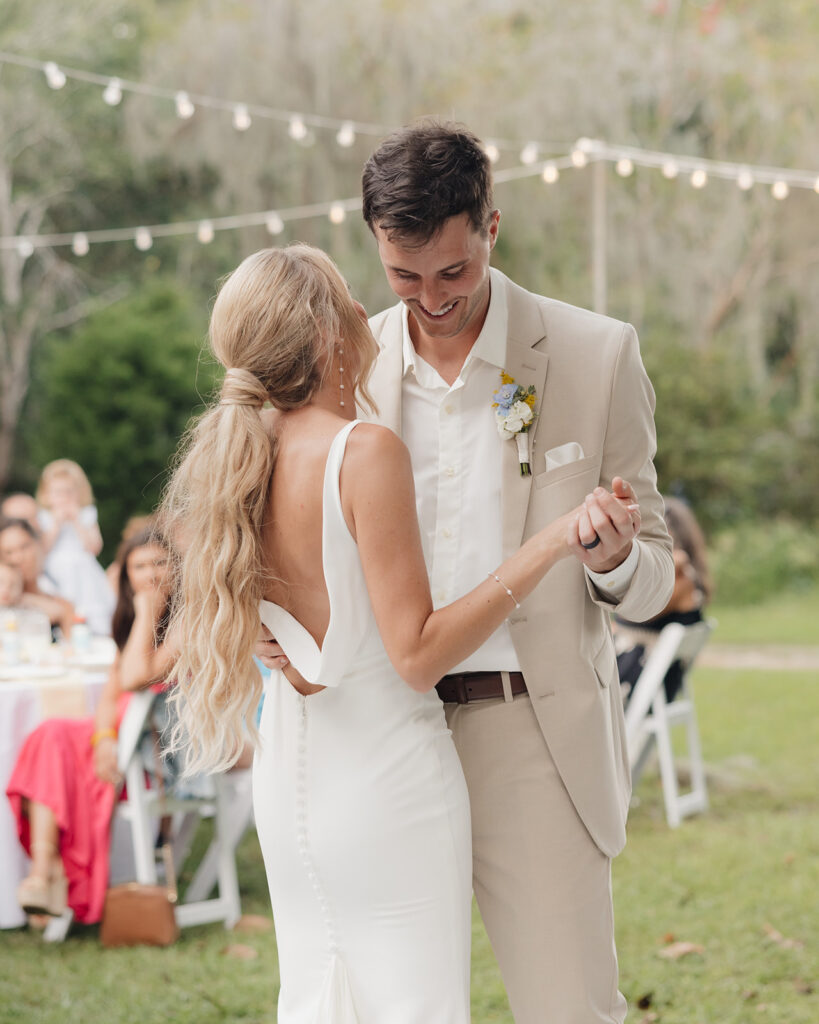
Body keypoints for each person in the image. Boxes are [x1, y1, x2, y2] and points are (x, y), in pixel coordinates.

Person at [158, 244, 638, 1024]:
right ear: (322, 335)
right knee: (411, 1003)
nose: (365, 310)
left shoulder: (240, 455)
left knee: (325, 996)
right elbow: (414, 654)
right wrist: (550, 541)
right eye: (349, 296)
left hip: (299, 774)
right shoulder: (362, 450)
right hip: (389, 781)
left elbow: (283, 618)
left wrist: (275, 642)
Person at [6, 528, 176, 923]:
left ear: (176, 568)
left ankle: (46, 875)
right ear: (125, 575)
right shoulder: (131, 622)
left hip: (154, 749)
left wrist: (150, 607)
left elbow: (135, 676)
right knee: (49, 736)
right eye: (139, 566)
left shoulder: (186, 621)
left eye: (159, 563)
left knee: (53, 742)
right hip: (120, 733)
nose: (150, 574)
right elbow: (110, 693)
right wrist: (103, 738)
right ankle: (42, 871)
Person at [614, 496, 712, 705]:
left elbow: (635, 613)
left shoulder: (680, 574)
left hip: (644, 682)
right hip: (652, 677)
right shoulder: (686, 573)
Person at [35, 459, 115, 635]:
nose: (63, 498)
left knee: (89, 604)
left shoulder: (86, 514)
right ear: (46, 495)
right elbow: (42, 549)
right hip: (55, 571)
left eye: (68, 492)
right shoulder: (44, 517)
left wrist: (77, 521)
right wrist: (56, 524)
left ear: (79, 493)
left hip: (83, 571)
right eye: (57, 493)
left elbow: (95, 547)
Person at [0, 516, 75, 639]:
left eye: (24, 547)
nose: (18, 557)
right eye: (8, 552)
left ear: (39, 545)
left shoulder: (62, 604)